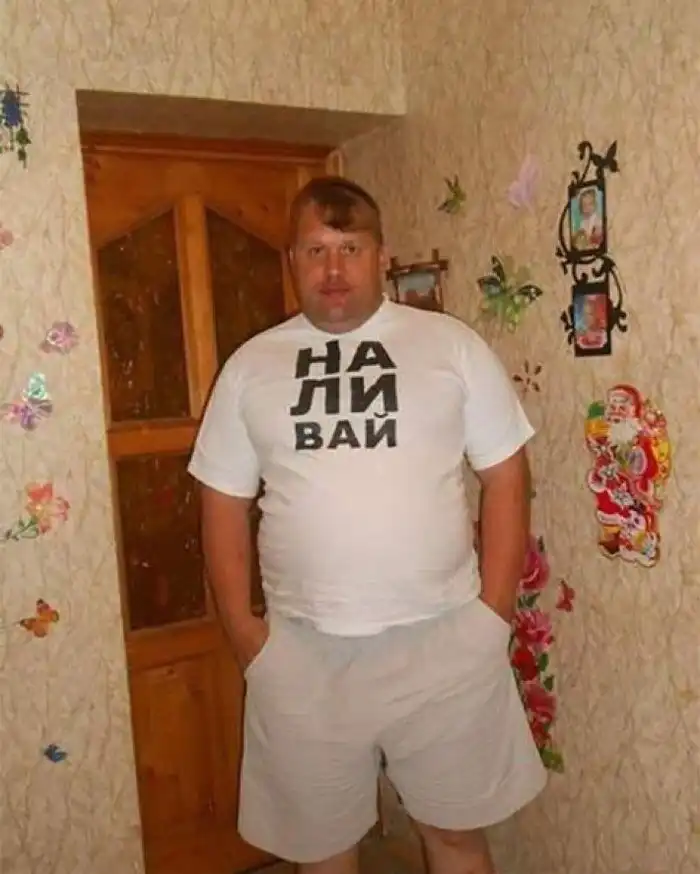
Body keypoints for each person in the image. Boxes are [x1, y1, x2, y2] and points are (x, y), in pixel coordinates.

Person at [187, 176, 547, 874]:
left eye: (350, 247)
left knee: (456, 838)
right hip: (302, 655)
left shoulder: (451, 346)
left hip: (444, 645)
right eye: (315, 249)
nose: (333, 268)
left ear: (381, 256)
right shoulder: (250, 368)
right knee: (321, 855)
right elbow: (222, 501)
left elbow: (507, 476)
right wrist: (245, 633)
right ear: (291, 260)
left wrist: (492, 616)